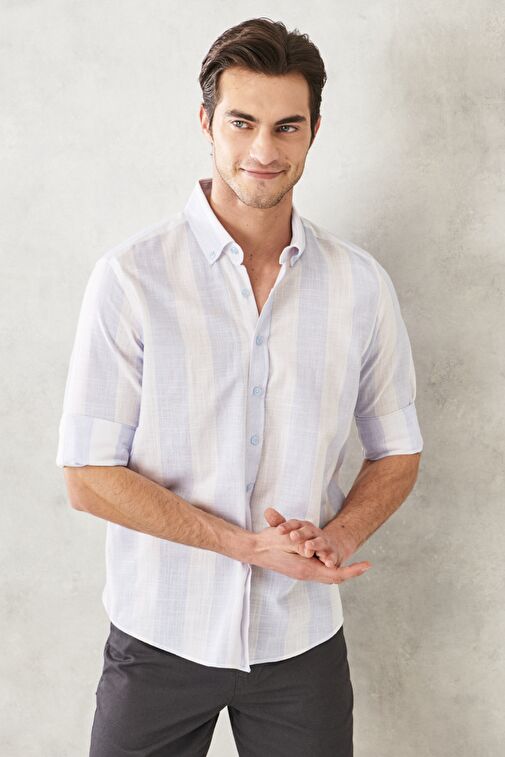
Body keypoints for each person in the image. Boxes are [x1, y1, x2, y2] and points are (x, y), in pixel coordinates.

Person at [56, 16, 423, 757]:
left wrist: (337, 537)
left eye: (287, 127)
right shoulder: (131, 278)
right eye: (241, 122)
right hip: (159, 637)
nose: (263, 150)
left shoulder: (359, 285)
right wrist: (248, 547)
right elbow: (88, 477)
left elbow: (397, 449)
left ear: (314, 131)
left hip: (300, 643)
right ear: (206, 123)